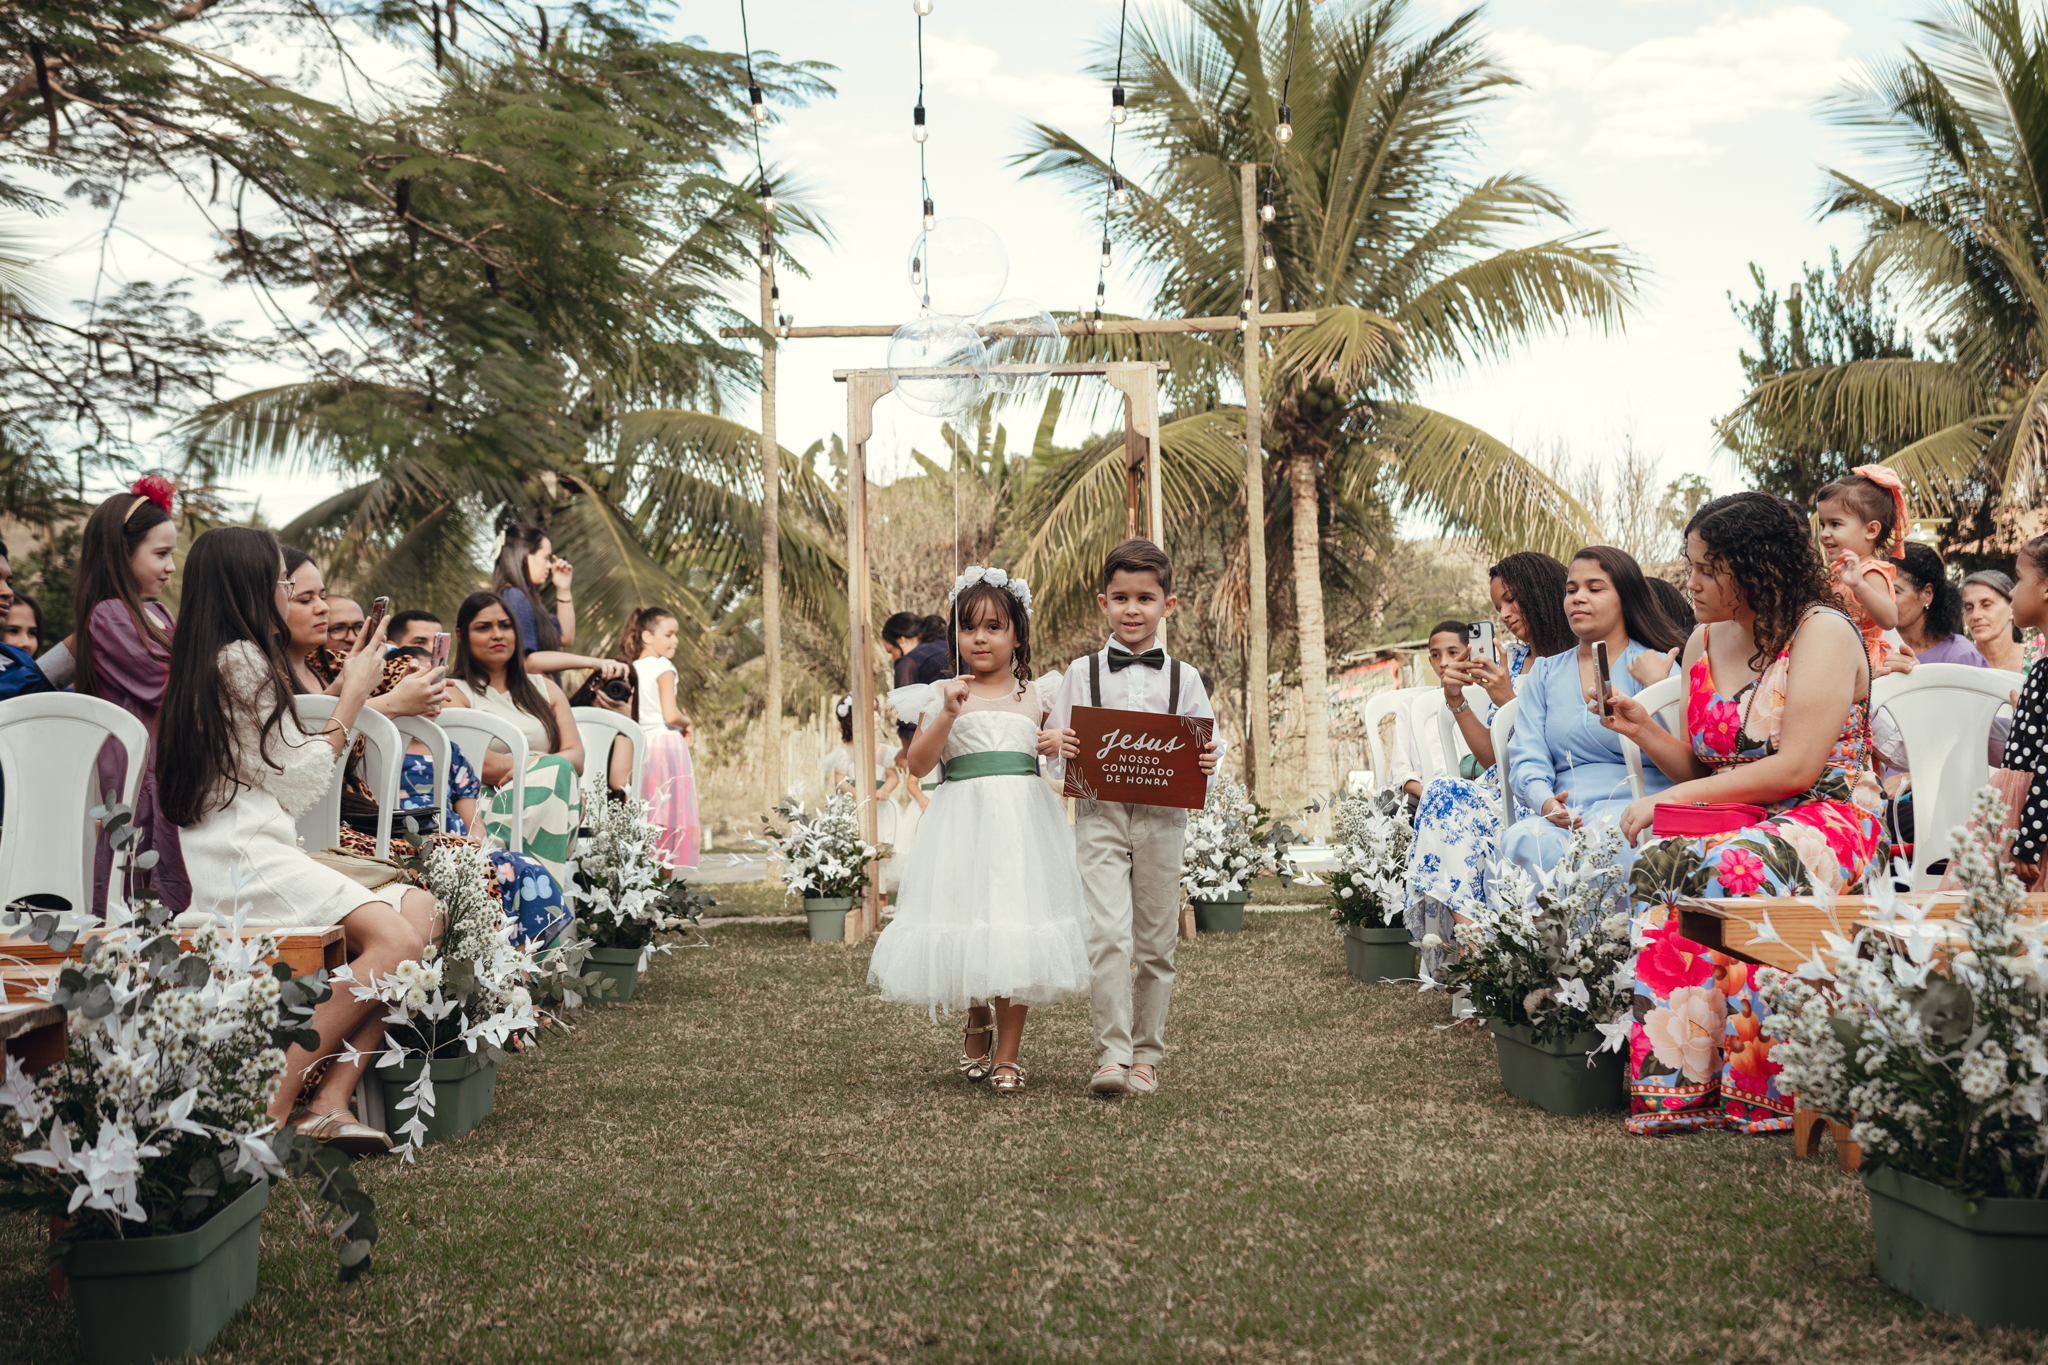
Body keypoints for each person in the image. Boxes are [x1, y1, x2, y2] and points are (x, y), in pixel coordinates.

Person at [1606, 492, 1881, 1136]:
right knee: (1659, 862)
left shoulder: (1823, 630)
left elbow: (1797, 769)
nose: (1692, 583)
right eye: (1691, 565)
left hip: (1828, 815)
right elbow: (1708, 773)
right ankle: (1680, 1086)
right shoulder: (1702, 639)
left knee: (1735, 865)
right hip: (1742, 816)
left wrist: (1668, 800)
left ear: (1757, 567)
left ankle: (1767, 1089)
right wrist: (1645, 730)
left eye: (1709, 568)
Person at [156, 526, 439, 1154]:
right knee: (398, 942)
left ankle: (331, 1100)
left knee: (420, 910)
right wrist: (357, 694)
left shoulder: (217, 660)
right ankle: (269, 1104)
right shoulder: (241, 661)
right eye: (283, 582)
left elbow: (280, 769)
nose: (288, 592)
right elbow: (300, 781)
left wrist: (345, 691)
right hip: (244, 861)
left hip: (254, 850)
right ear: (251, 586)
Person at [867, 569, 1090, 1095]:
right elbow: (919, 765)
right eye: (968, 628)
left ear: (1018, 636)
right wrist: (947, 713)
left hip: (1022, 825)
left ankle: (1008, 1053)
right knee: (965, 915)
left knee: (1016, 924)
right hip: (961, 822)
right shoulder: (942, 694)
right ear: (955, 637)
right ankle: (976, 1015)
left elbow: (1068, 763)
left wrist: (1058, 741)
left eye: (994, 627)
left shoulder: (1038, 695)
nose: (980, 638)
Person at [1043, 539, 1222, 1098]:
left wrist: (1208, 760)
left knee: (1156, 942)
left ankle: (1146, 1056)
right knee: (1106, 934)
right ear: (1104, 603)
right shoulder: (1081, 673)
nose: (1133, 609)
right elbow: (1053, 750)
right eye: (1121, 598)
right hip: (1099, 813)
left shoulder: (1185, 679)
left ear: (1168, 605)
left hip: (1163, 818)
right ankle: (1112, 1055)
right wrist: (1056, 744)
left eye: (1146, 598)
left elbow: (1206, 752)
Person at [1404, 552, 1573, 970]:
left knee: (1449, 800)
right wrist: (1456, 700)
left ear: (1540, 593)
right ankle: (1475, 947)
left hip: (1544, 789)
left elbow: (1562, 745)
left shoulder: (1571, 659)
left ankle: (1477, 957)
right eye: (1498, 605)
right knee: (1444, 791)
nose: (1505, 614)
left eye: (1512, 600)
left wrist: (1508, 699)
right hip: (1500, 785)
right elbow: (1491, 756)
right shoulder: (1510, 659)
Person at [1498, 546, 1686, 875]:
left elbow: (1688, 761)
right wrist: (1546, 802)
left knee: (1603, 845)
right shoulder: (1545, 673)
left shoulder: (1656, 666)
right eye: (1571, 590)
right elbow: (1527, 753)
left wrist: (1658, 688)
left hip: (1637, 807)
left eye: (1594, 589)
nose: (1578, 598)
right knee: (1522, 840)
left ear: (1625, 598)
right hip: (1565, 813)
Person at [71, 480, 191, 915]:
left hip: (163, 757)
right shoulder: (110, 615)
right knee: (135, 857)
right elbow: (168, 684)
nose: (171, 567)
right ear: (121, 553)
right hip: (133, 767)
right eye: (161, 554)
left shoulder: (156, 611)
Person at [441, 591, 586, 903]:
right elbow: (477, 765)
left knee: (559, 776)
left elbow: (576, 756)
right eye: (483, 627)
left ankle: (511, 886)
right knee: (558, 776)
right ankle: (541, 905)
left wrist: (539, 768)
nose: (497, 634)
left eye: (505, 625)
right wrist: (545, 765)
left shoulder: (545, 688)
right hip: (483, 808)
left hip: (552, 796)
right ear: (461, 635)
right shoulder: (455, 692)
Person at [489, 520, 627, 684]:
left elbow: (565, 637)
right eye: (546, 558)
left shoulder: (522, 598)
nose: (549, 565)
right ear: (525, 556)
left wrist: (563, 588)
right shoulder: (514, 597)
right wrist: (594, 662)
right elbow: (530, 662)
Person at [623, 606, 700, 868]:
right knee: (669, 816)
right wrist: (687, 722)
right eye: (669, 634)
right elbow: (670, 714)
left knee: (647, 812)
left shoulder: (632, 668)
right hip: (666, 745)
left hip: (640, 745)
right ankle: (663, 880)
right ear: (647, 636)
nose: (675, 640)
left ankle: (642, 876)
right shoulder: (663, 666)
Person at [1814, 467, 1905, 667]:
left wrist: (1859, 586)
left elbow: (1889, 619)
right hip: (1838, 656)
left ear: (1871, 530)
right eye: (1823, 525)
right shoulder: (1839, 569)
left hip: (1863, 662)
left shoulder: (1870, 572)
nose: (1824, 533)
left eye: (1835, 524)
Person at [1999, 536, 2048, 886]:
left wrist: (2030, 839)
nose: (2012, 592)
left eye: (2018, 578)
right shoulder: (2043, 667)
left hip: (2035, 824)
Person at [1384, 623, 1466, 810]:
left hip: (1473, 795)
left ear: (1469, 654)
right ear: (1429, 661)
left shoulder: (1483, 700)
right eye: (1436, 655)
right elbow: (1401, 771)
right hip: (1424, 797)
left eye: (1453, 653)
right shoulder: (1412, 705)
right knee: (1393, 810)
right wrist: (1430, 796)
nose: (1443, 662)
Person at [1892, 542, 1987, 667]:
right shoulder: (1876, 648)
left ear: (1927, 594)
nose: (1884, 599)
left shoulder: (1960, 655)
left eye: (1895, 591)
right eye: (1880, 590)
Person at [1962, 570, 2030, 674]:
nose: (1975, 616)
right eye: (1969, 608)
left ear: (2012, 608)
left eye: (1986, 605)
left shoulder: (2039, 660)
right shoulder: (1959, 666)